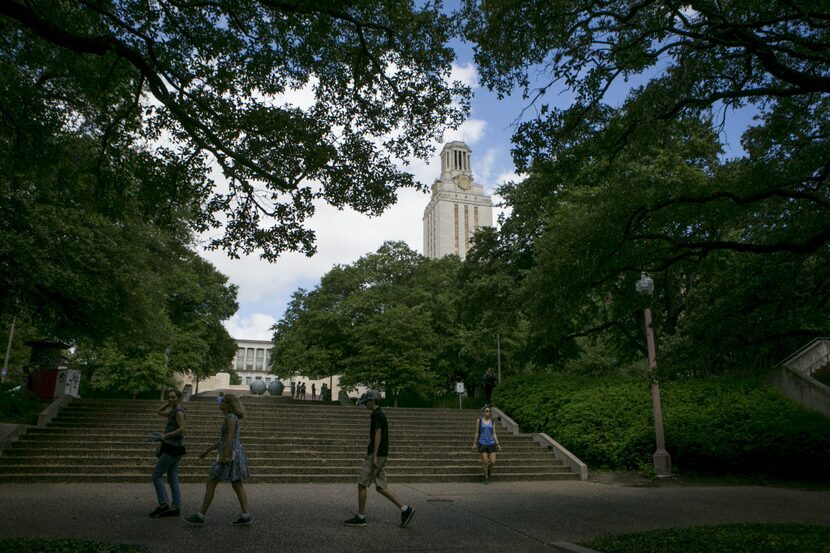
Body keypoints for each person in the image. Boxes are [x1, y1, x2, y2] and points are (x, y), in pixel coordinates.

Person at [344, 390, 415, 528]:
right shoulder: (380, 413)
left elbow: (378, 433)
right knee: (381, 487)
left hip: (376, 455)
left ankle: (361, 517)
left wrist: (374, 455)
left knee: (361, 484)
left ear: (372, 401)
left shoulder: (376, 415)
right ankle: (405, 509)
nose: (365, 405)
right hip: (382, 454)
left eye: (366, 402)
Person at [185, 394, 252, 526]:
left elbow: (230, 438)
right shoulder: (230, 417)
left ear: (228, 404)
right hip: (233, 452)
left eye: (221, 401)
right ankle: (246, 515)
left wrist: (225, 455)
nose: (219, 403)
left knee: (212, 482)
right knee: (237, 484)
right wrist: (208, 450)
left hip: (230, 454)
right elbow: (224, 439)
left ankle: (200, 516)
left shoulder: (230, 418)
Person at [149, 389, 186, 518]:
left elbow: (182, 428)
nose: (171, 399)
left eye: (173, 397)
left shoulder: (179, 412)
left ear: (179, 398)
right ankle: (175, 507)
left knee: (156, 476)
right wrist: (168, 403)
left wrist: (166, 436)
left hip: (173, 447)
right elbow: (158, 412)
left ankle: (163, 505)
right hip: (175, 447)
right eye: (169, 397)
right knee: (172, 478)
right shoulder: (173, 410)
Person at [471, 405, 500, 483]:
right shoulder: (479, 421)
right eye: (486, 411)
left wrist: (497, 443)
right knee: (485, 461)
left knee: (493, 462)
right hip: (482, 443)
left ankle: (488, 470)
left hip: (491, 443)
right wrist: (474, 443)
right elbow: (477, 432)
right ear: (483, 413)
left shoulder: (492, 422)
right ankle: (486, 478)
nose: (488, 412)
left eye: (489, 411)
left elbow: (494, 433)